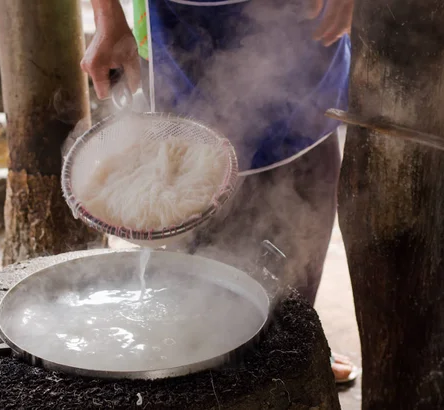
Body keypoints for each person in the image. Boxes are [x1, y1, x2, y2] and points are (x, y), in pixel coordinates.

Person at [82, 0, 357, 383]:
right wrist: (108, 18)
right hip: (180, 20)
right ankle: (206, 355)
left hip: (301, 17)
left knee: (304, 162)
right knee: (192, 187)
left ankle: (295, 347)